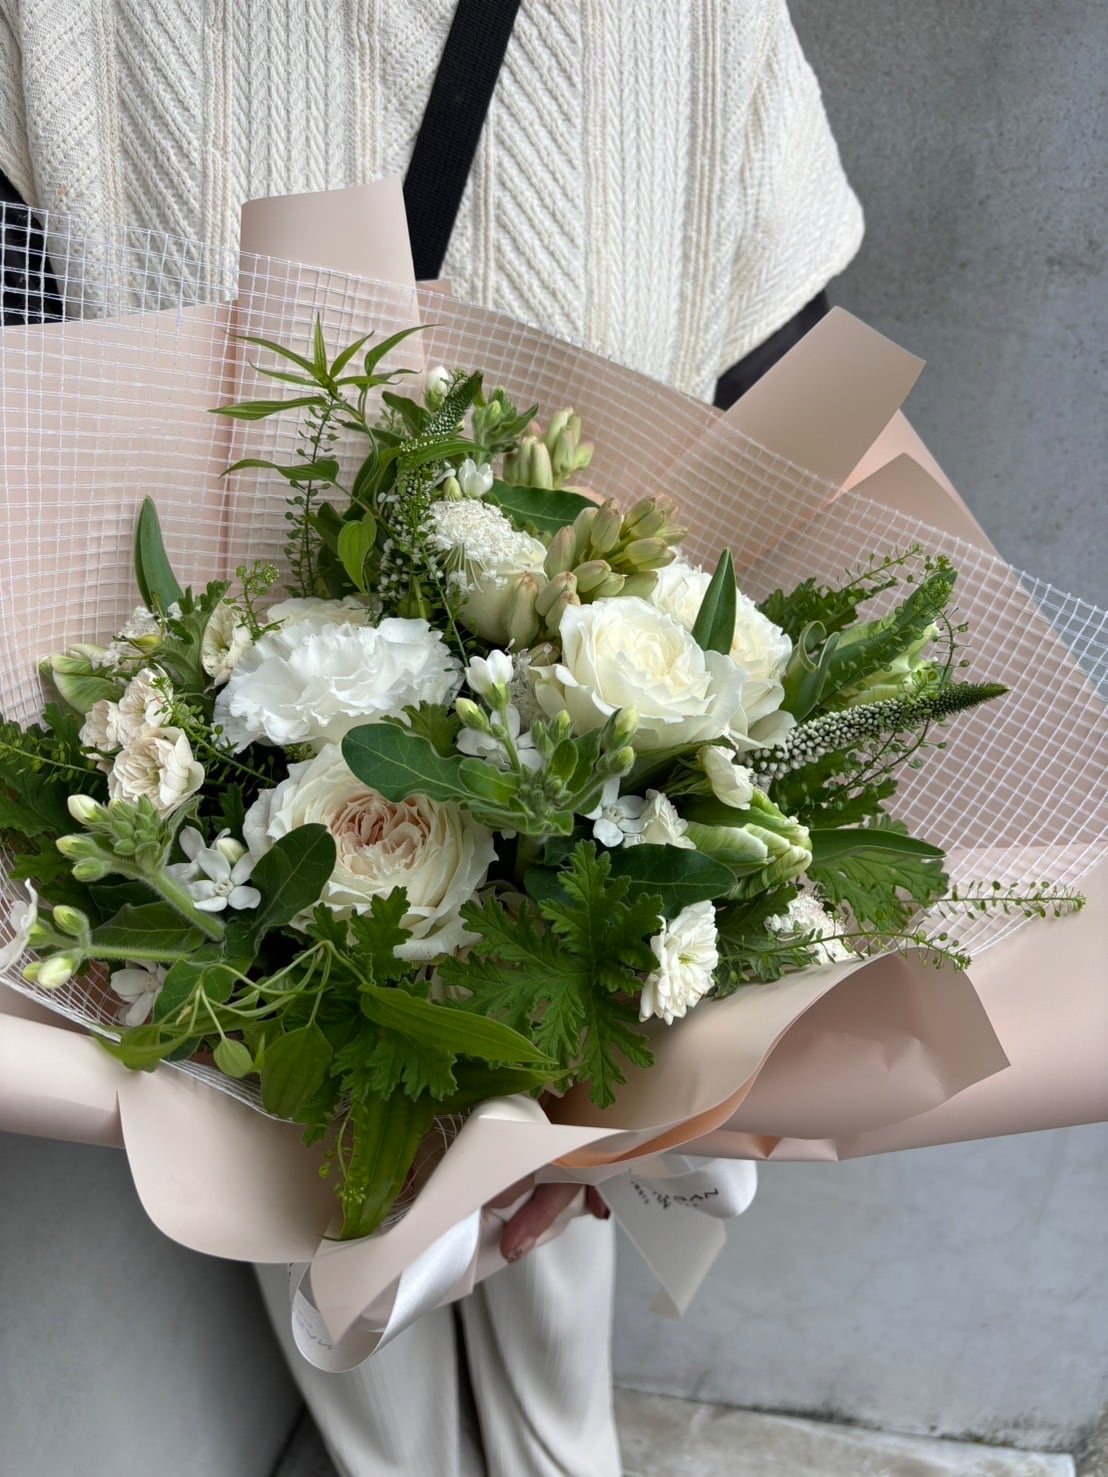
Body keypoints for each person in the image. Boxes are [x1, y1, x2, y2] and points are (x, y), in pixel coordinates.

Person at [0, 3, 862, 1473]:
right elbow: (785, 396)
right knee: (373, 1239)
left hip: (493, 772)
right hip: (264, 795)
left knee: (409, 1237)